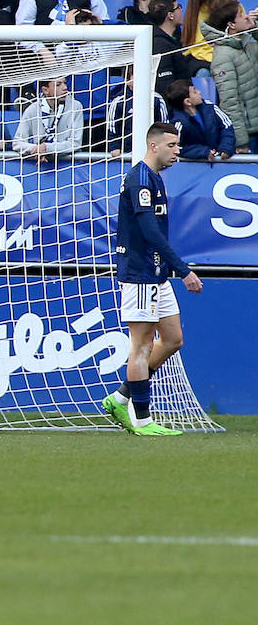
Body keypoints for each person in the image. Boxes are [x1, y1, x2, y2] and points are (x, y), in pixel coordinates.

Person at [102, 122, 203, 435]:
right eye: (172, 145)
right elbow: (149, 232)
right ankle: (142, 421)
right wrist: (183, 270)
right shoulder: (140, 180)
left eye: (178, 146)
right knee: (142, 346)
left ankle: (121, 396)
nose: (177, 151)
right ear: (154, 145)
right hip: (141, 274)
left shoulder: (155, 178)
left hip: (157, 273)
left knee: (172, 339)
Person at [200, 0, 258, 152]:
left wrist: (255, 26)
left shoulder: (247, 45)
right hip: (250, 136)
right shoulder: (223, 57)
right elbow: (229, 102)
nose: (246, 16)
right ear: (231, 25)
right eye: (241, 15)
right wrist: (241, 142)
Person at [12, 75, 84, 163]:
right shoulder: (33, 109)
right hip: (40, 165)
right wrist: (36, 150)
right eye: (58, 85)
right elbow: (17, 143)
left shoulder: (75, 106)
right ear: (45, 90)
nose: (65, 88)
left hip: (67, 165)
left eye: (65, 83)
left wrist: (47, 148)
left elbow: (75, 144)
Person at [178, 0, 237, 67]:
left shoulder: (232, 1)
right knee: (203, 72)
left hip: (232, 54)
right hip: (206, 59)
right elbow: (201, 48)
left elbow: (242, 31)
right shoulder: (199, 11)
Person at [105, 65, 171, 157]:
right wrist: (114, 146)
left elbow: (164, 125)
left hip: (153, 151)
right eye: (137, 75)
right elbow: (112, 127)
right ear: (127, 81)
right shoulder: (119, 101)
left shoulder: (156, 99)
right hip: (126, 152)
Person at [165, 77, 236, 159]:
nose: (199, 92)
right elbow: (177, 147)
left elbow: (227, 126)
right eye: (195, 92)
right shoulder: (177, 122)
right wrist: (204, 152)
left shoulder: (209, 107)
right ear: (188, 102)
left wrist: (225, 148)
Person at [147, 0, 198, 94]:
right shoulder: (160, 45)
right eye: (178, 7)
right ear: (170, 15)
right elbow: (166, 85)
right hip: (174, 104)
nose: (181, 10)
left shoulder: (169, 41)